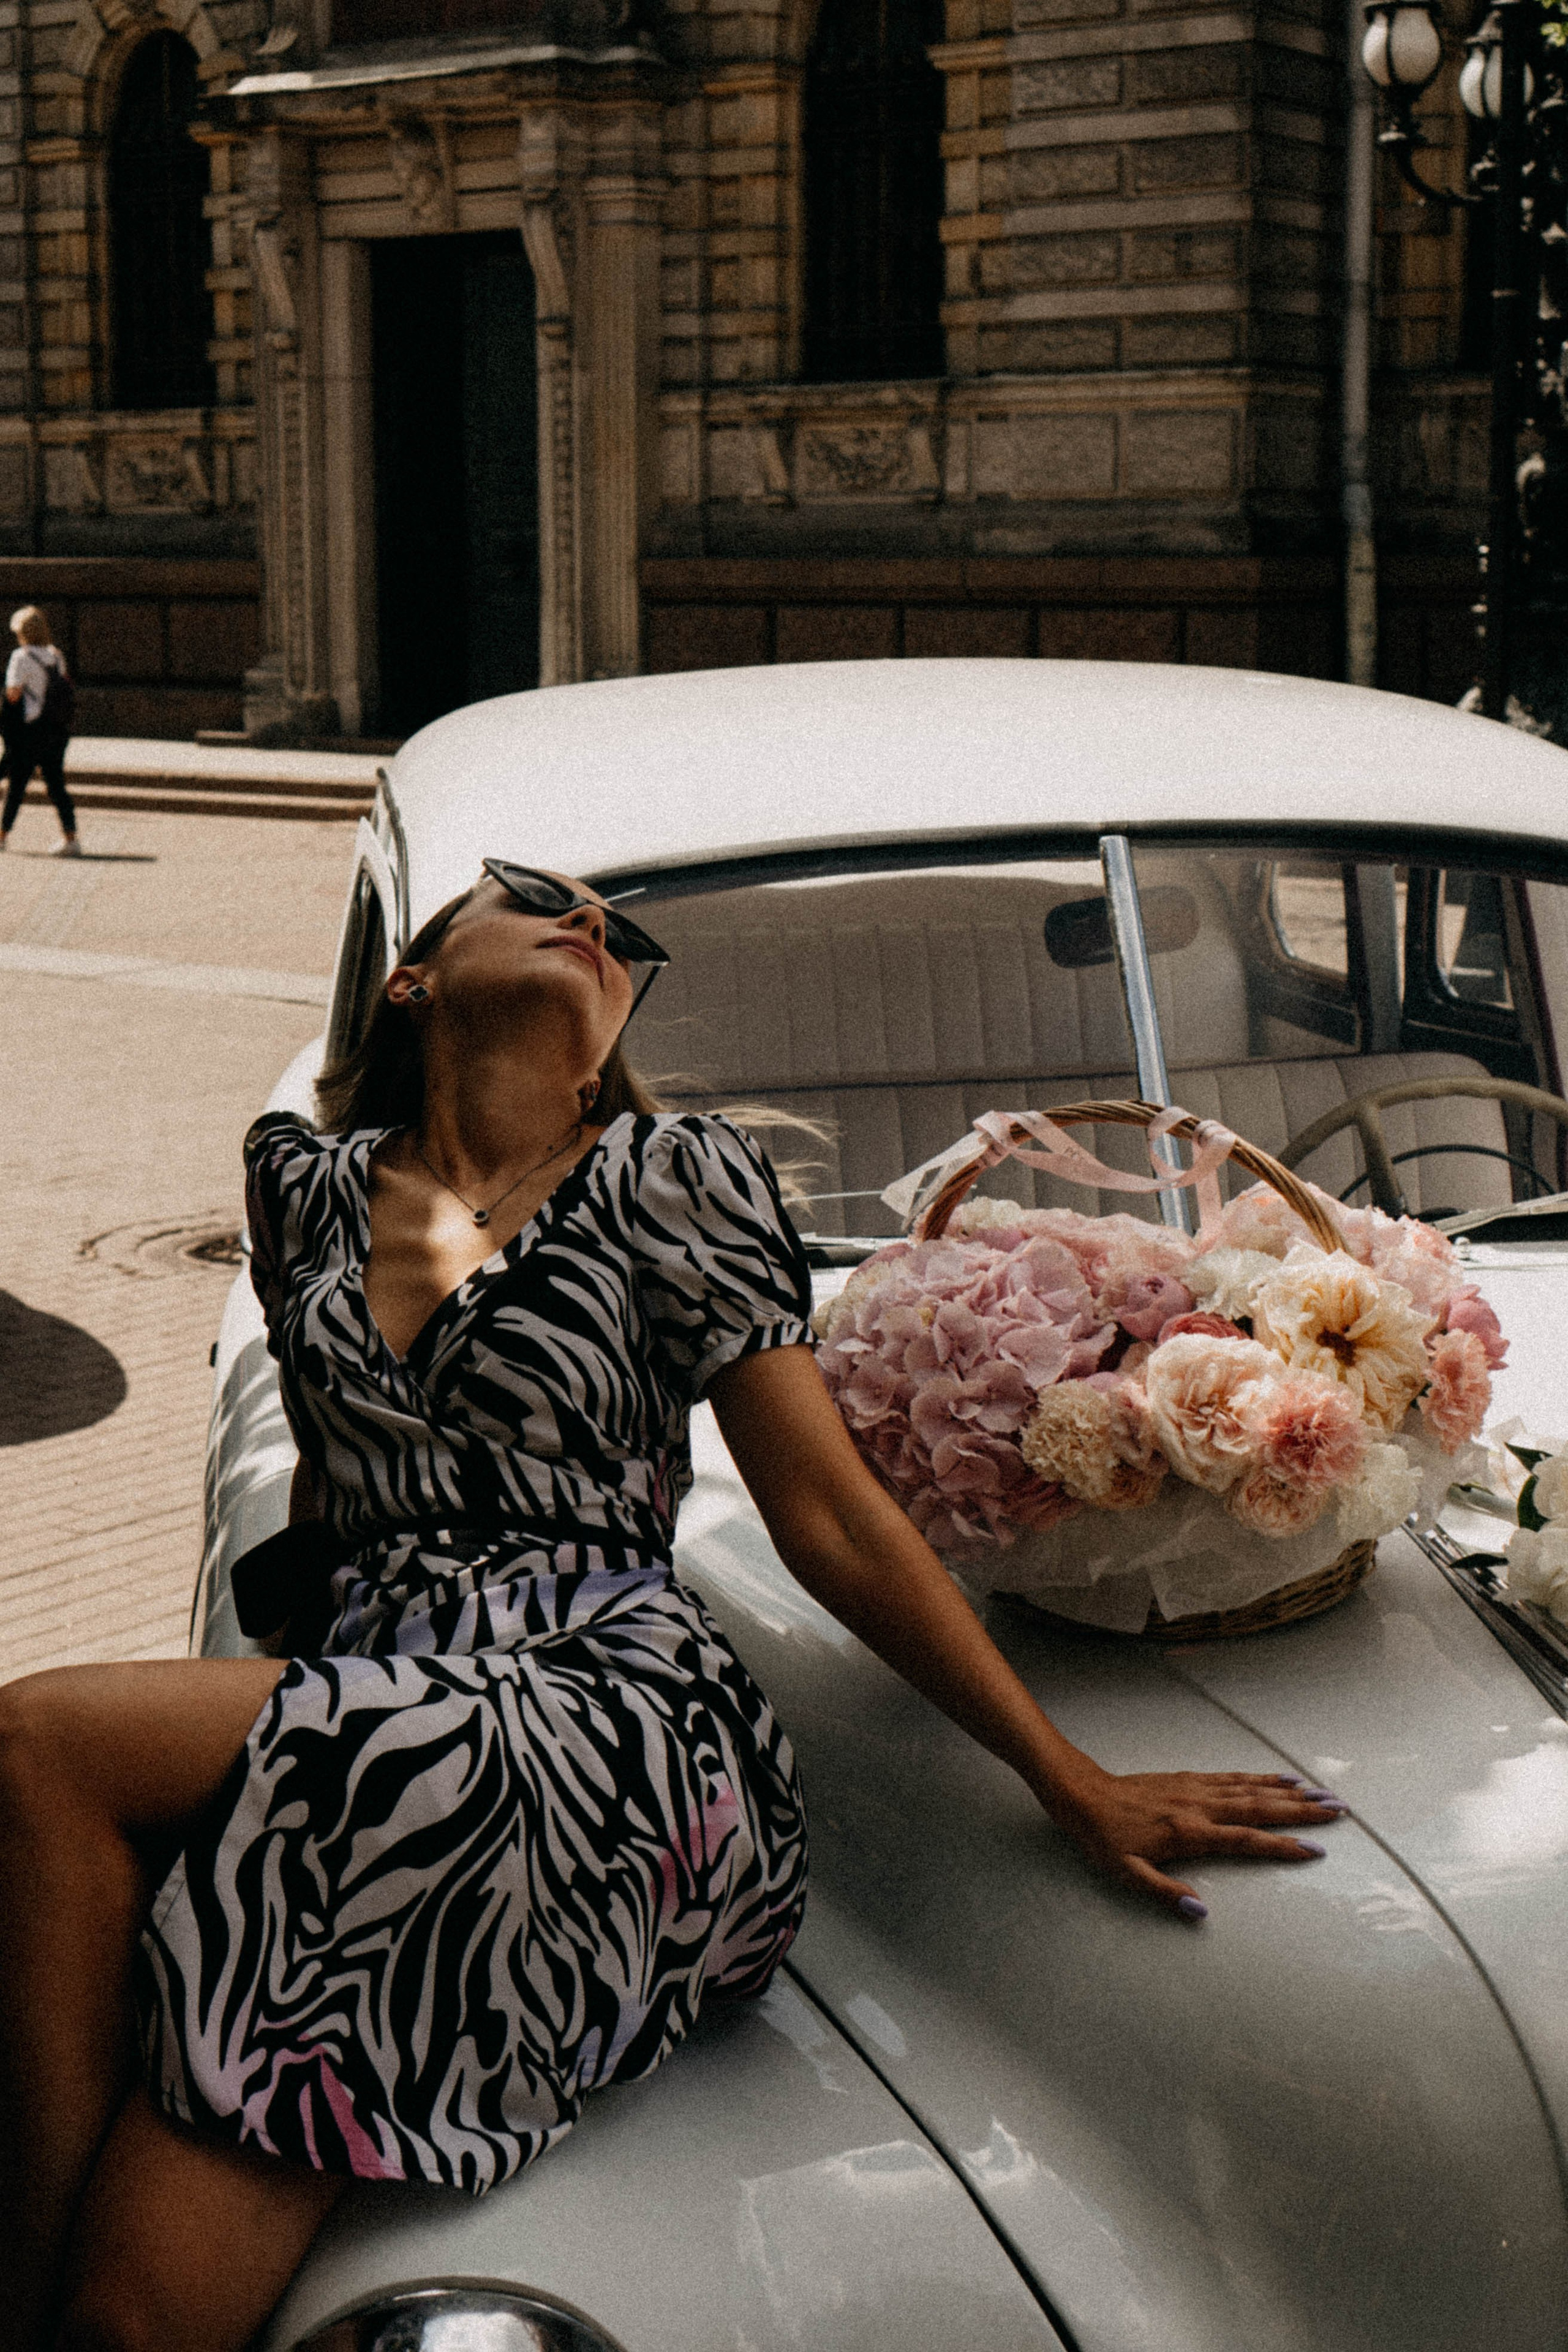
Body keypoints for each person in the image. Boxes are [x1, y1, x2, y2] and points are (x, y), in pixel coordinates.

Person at [0, 862, 1346, 2351]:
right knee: (126, 2319)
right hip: (387, 1706)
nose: (586, 923)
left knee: (40, 1736)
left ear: (614, 1015)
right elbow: (338, 1490)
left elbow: (827, 1516)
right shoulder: (304, 1186)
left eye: (616, 931)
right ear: (412, 976)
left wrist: (1064, 1775)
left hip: (610, 1708)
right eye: (533, 898)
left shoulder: (669, 1176)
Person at [0, 605, 77, 856]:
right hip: (56, 729)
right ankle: (71, 838)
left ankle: (2, 836)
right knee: (56, 784)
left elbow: (13, 694)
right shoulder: (55, 655)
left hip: (30, 730)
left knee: (17, 785)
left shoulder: (20, 657)